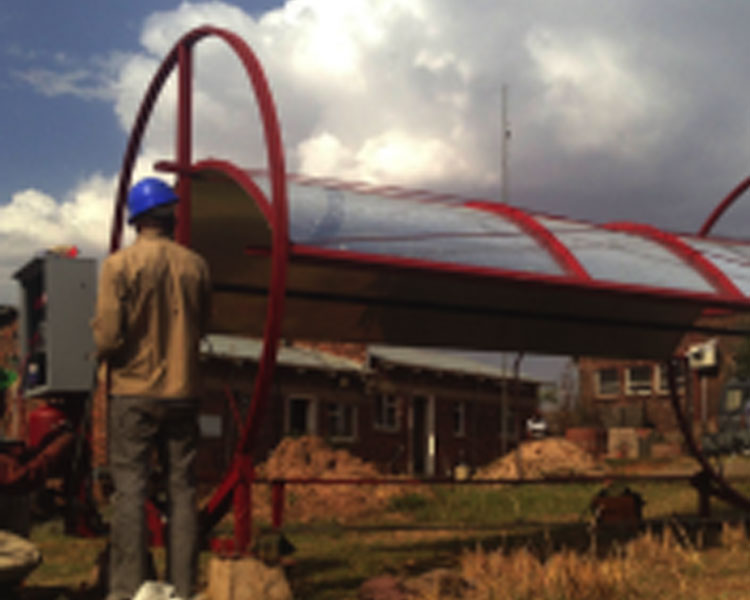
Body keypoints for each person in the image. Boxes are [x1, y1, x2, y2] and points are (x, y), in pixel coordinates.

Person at [91, 177, 211, 600]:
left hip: (134, 393)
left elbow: (107, 339)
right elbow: (203, 325)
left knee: (131, 491)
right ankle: (182, 589)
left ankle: (128, 590)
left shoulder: (119, 266)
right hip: (183, 391)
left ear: (136, 218)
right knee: (183, 490)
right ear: (169, 216)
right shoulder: (196, 265)